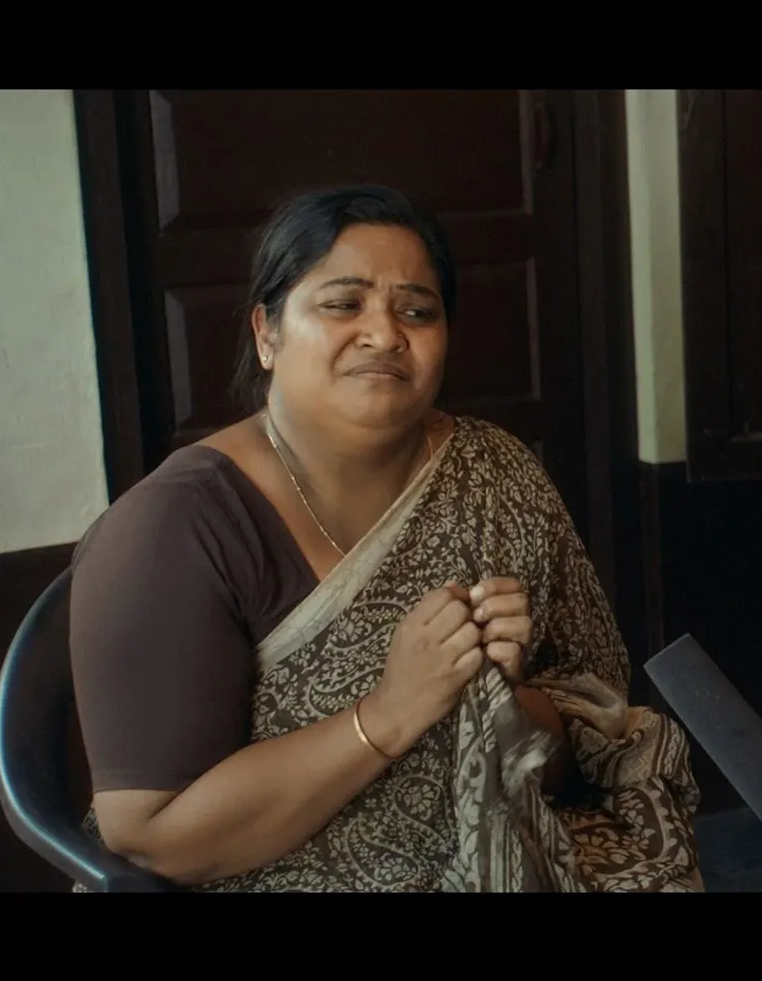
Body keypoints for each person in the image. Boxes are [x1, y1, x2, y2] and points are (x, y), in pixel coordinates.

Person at [68, 184, 702, 892]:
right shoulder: (173, 528)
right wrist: (390, 714)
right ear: (267, 333)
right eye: (344, 304)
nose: (385, 334)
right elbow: (152, 840)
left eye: (417, 311)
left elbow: (588, 741)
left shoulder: (495, 473)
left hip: (499, 848)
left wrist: (498, 702)